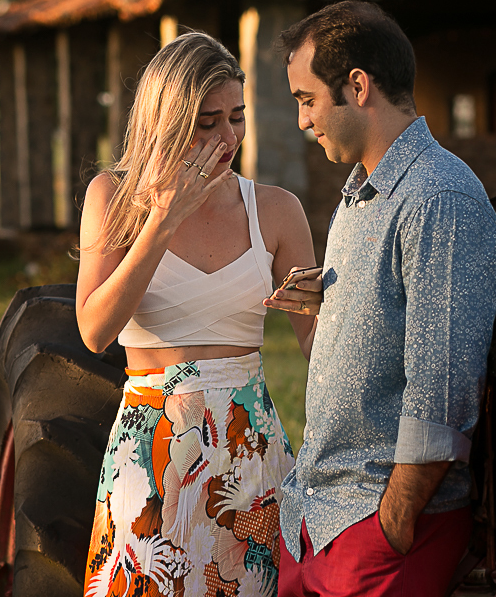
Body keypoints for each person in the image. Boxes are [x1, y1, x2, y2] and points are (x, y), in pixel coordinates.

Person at [264, 1, 496, 597]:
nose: (302, 120)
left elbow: (442, 387)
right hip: (319, 521)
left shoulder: (437, 199)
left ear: (358, 86)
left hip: (382, 531)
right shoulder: (360, 194)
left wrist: (393, 525)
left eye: (306, 99)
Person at [77, 31, 318, 597]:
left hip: (249, 450)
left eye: (237, 117)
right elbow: (93, 331)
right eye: (208, 123)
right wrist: (160, 221)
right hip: (151, 448)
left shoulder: (277, 211)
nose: (228, 136)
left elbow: (319, 348)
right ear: (166, 122)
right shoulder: (112, 198)